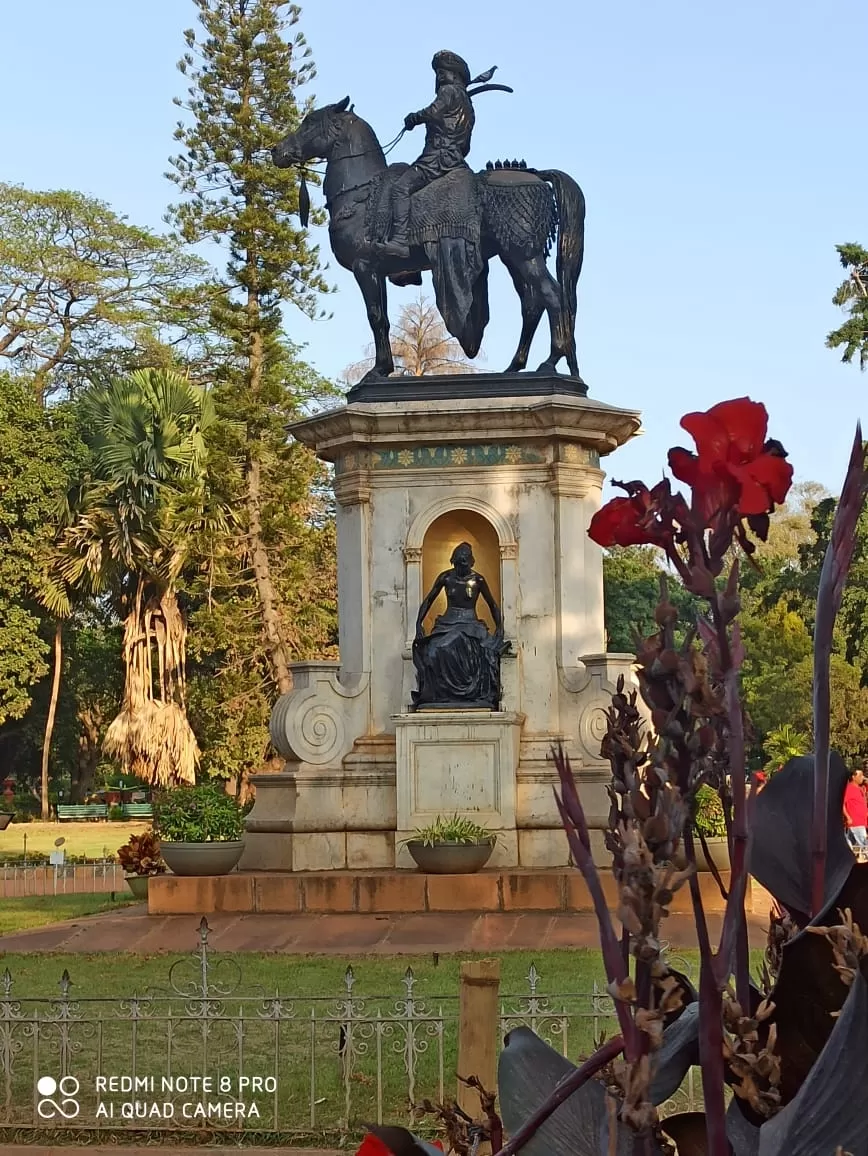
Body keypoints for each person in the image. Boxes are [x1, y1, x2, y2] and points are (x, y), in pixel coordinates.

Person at [376, 50, 476, 260]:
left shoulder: (448, 91)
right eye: (438, 72)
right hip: (455, 156)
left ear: (456, 75)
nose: (440, 76)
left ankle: (400, 240)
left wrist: (414, 117)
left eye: (444, 72)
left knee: (400, 187)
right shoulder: (467, 102)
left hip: (437, 157)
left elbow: (433, 111)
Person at [412, 542, 506, 709]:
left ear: (471, 562)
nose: (461, 567)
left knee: (453, 645)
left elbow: (492, 604)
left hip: (470, 624)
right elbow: (429, 600)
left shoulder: (478, 580)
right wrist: (418, 623)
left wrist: (499, 627)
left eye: (464, 563)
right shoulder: (446, 577)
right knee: (433, 649)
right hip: (447, 622)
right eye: (458, 563)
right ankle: (438, 695)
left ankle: (464, 693)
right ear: (453, 561)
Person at [843, 765, 868, 858]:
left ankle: (849, 861)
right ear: (853, 777)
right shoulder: (849, 788)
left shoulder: (860, 789)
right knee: (865, 844)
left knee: (851, 844)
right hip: (855, 822)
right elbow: (842, 804)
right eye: (860, 775)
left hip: (861, 821)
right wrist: (848, 817)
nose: (862, 777)